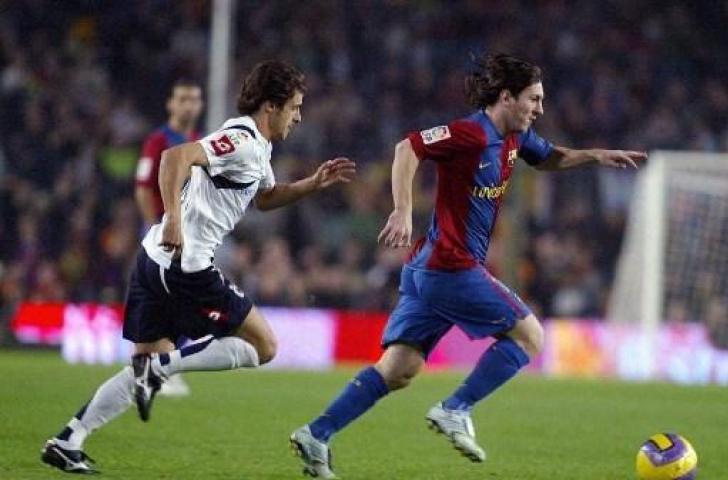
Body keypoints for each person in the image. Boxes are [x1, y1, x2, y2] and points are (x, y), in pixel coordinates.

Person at [290, 53, 646, 478]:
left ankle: (317, 434)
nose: (540, 109)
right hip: (450, 266)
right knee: (530, 335)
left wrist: (596, 155)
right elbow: (408, 148)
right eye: (533, 99)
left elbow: (552, 157)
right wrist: (402, 209)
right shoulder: (470, 133)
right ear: (506, 96)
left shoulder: (516, 138)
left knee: (399, 369)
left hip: (428, 271)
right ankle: (455, 408)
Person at [41, 60, 356, 474]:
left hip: (152, 260)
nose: (298, 116)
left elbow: (265, 196)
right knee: (265, 346)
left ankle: (69, 439)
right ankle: (162, 369)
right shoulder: (241, 140)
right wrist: (173, 216)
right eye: (294, 107)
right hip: (184, 267)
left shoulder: (258, 147)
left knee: (144, 363)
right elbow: (175, 158)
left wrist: (311, 184)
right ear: (270, 107)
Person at [135, 78, 204, 397]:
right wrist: (156, 225)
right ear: (171, 105)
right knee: (170, 298)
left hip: (192, 233)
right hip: (165, 231)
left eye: (194, 99)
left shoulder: (197, 141)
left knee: (186, 300)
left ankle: (158, 366)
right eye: (183, 99)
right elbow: (142, 187)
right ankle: (157, 366)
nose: (189, 105)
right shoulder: (158, 140)